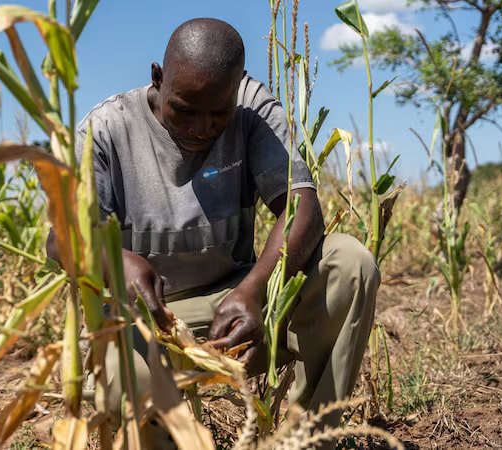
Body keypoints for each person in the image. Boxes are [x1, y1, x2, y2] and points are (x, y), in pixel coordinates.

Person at [50, 17, 379, 446]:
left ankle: (307, 439)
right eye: (184, 110)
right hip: (149, 320)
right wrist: (114, 262)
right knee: (116, 377)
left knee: (350, 264)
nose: (201, 128)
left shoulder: (250, 109)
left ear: (237, 87)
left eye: (218, 113)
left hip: (239, 307)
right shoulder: (106, 130)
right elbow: (60, 238)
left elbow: (302, 208)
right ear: (158, 77)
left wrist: (255, 290)